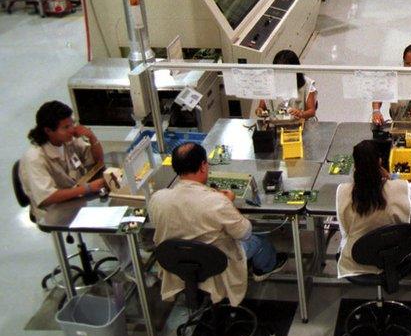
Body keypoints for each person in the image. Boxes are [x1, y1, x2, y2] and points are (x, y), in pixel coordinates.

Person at [148, 143, 286, 306]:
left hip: (178, 264)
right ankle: (263, 269)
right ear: (203, 166)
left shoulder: (157, 199)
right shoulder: (217, 202)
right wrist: (229, 204)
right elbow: (245, 233)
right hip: (217, 265)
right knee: (259, 241)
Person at [19, 101, 133, 272]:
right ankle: (131, 267)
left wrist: (92, 137)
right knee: (107, 221)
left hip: (78, 194)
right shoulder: (35, 158)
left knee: (123, 202)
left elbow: (97, 161)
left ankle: (136, 251)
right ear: (48, 131)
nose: (72, 129)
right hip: (54, 209)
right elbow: (48, 196)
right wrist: (88, 189)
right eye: (66, 127)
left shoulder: (67, 141)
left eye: (72, 123)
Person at [336, 140, 411, 278]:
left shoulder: (342, 192)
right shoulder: (400, 189)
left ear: (355, 165)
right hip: (395, 256)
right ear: (379, 161)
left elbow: (345, 233)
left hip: (357, 258)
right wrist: (391, 179)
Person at [256, 49, 318, 121]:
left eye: (286, 72)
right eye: (278, 71)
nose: (282, 75)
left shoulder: (307, 84)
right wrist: (260, 111)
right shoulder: (269, 84)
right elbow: (262, 109)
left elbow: (311, 111)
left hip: (301, 125)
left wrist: (301, 114)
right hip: (277, 125)